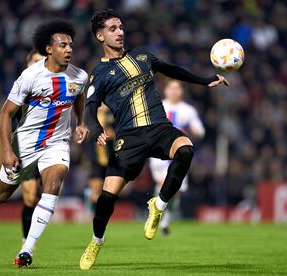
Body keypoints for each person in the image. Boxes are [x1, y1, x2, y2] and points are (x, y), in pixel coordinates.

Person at [79, 9, 229, 270]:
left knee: (186, 150)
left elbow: (171, 69)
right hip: (130, 136)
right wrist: (95, 127)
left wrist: (204, 81)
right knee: (106, 197)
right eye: (113, 29)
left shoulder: (142, 55)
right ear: (100, 35)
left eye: (121, 27)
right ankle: (96, 242)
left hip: (159, 127)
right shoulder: (100, 73)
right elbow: (90, 105)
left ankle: (158, 205)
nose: (120, 32)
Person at [0, 19, 89, 268]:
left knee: (53, 184)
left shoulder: (79, 75)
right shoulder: (30, 76)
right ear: (49, 48)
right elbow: (5, 113)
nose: (69, 49)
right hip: (26, 144)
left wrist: (81, 122)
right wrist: (7, 150)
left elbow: (79, 95)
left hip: (57, 144)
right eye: (63, 45)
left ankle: (26, 251)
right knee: (2, 194)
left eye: (71, 45)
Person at [148, 80, 205, 236]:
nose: (174, 91)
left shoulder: (189, 110)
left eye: (177, 88)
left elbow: (200, 130)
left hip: (179, 154)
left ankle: (164, 221)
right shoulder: (158, 106)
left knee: (176, 190)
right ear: (165, 90)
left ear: (181, 91)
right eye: (171, 88)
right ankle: (155, 214)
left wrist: (194, 131)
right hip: (159, 153)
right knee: (162, 183)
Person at [20, 49, 43, 244]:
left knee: (39, 196)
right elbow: (10, 118)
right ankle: (25, 241)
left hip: (47, 147)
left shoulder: (48, 86)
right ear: (28, 64)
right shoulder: (21, 88)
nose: (38, 64)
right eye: (35, 60)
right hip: (26, 149)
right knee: (30, 196)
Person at [85, 104, 115, 213]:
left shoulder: (113, 113)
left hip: (111, 158)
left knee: (109, 191)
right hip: (95, 159)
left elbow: (119, 132)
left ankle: (103, 214)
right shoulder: (89, 114)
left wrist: (114, 134)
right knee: (96, 190)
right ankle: (93, 214)